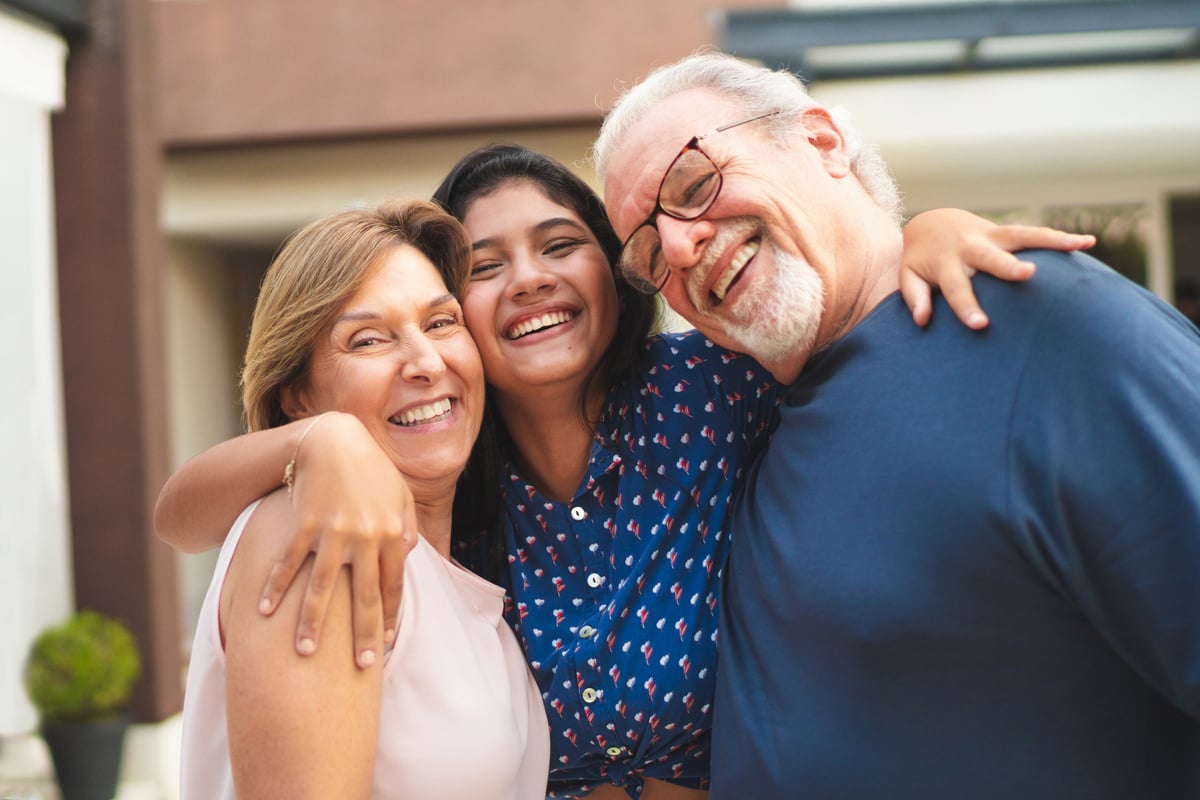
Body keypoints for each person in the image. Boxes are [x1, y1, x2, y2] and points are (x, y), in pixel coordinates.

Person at [157, 150, 1090, 798]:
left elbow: (851, 332)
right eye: (485, 267)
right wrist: (320, 444)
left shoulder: (717, 387)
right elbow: (184, 516)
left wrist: (915, 237)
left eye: (561, 244)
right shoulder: (424, 482)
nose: (528, 277)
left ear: (615, 270)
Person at [592, 51, 1200, 798]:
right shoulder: (729, 416)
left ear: (821, 141)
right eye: (650, 253)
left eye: (697, 184)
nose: (682, 246)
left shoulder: (1052, 329)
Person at [178, 198, 549, 799]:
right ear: (297, 397)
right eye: (369, 340)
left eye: (440, 323)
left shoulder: (460, 575)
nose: (426, 362)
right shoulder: (314, 534)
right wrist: (319, 439)